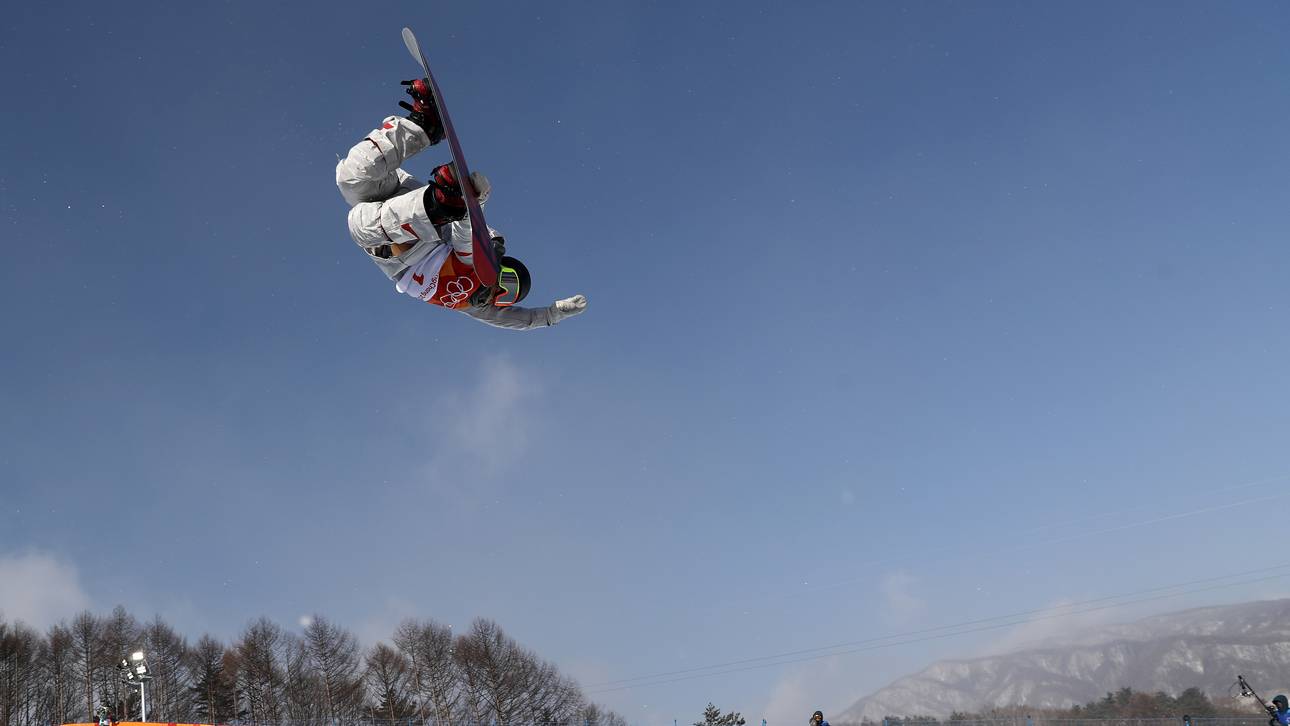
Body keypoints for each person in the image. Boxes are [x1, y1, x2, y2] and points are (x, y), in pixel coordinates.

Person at [335, 78, 588, 330]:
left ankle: (431, 152)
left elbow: (519, 320)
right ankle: (424, 133)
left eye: (507, 296)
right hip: (435, 226)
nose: (497, 291)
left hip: (399, 246)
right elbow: (467, 243)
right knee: (353, 182)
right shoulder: (480, 266)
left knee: (353, 191)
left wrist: (552, 315)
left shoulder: (480, 308)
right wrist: (470, 206)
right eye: (506, 282)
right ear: (500, 268)